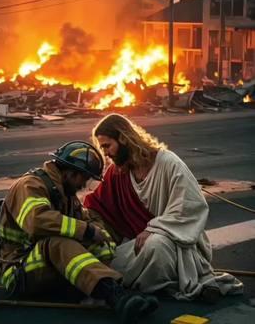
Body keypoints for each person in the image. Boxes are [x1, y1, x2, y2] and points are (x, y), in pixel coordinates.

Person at [84, 114, 243, 302]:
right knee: (107, 261)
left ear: (123, 138)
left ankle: (167, 282)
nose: (106, 154)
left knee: (156, 246)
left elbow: (190, 206)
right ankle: (162, 280)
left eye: (107, 146)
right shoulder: (117, 171)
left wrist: (155, 228)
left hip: (175, 239)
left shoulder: (168, 162)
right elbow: (99, 207)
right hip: (137, 242)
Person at [0, 140, 158, 323]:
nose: (84, 184)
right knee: (59, 243)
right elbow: (37, 221)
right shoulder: (30, 185)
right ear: (71, 172)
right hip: (19, 270)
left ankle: (103, 291)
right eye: (85, 178)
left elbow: (86, 218)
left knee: (101, 246)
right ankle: (116, 297)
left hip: (43, 266)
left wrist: (99, 231)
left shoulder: (66, 195)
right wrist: (87, 230)